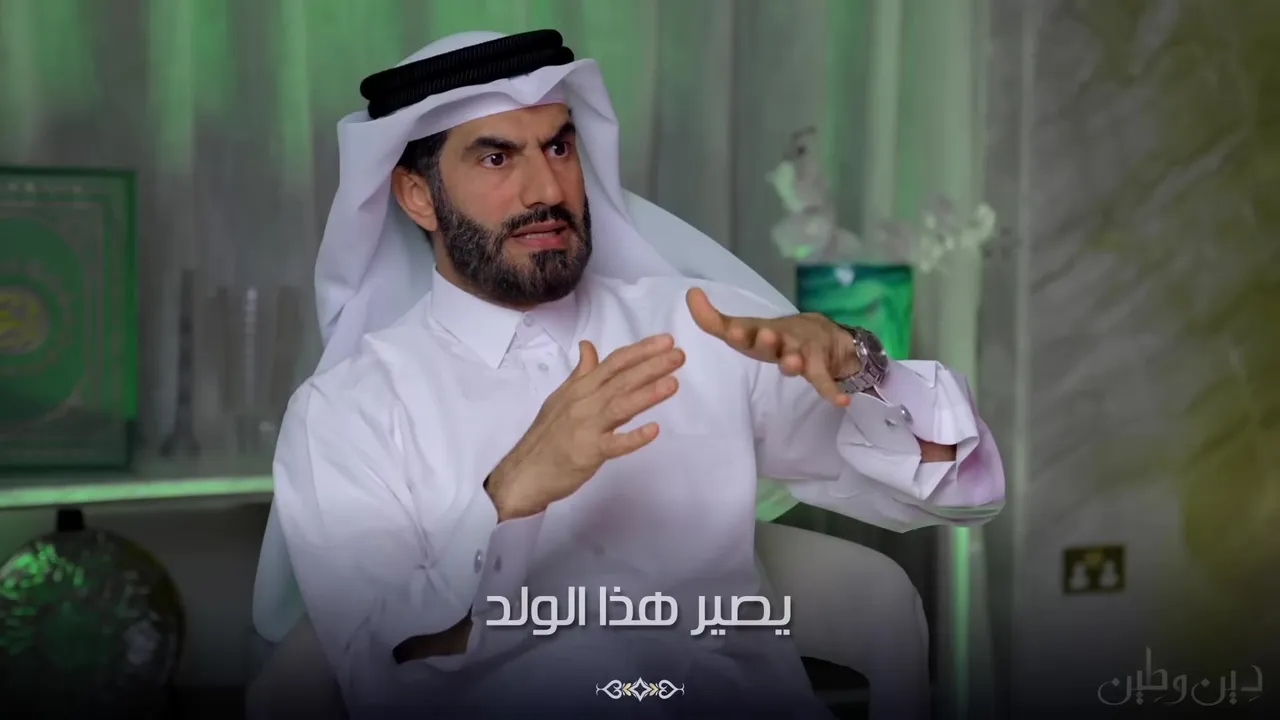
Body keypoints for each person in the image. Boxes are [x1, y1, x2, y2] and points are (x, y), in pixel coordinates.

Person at [257, 29, 1005, 718]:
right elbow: (382, 674)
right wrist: (506, 498)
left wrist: (863, 363)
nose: (546, 191)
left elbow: (958, 494)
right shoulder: (347, 412)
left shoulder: (705, 327)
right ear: (418, 196)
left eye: (558, 147)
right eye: (496, 158)